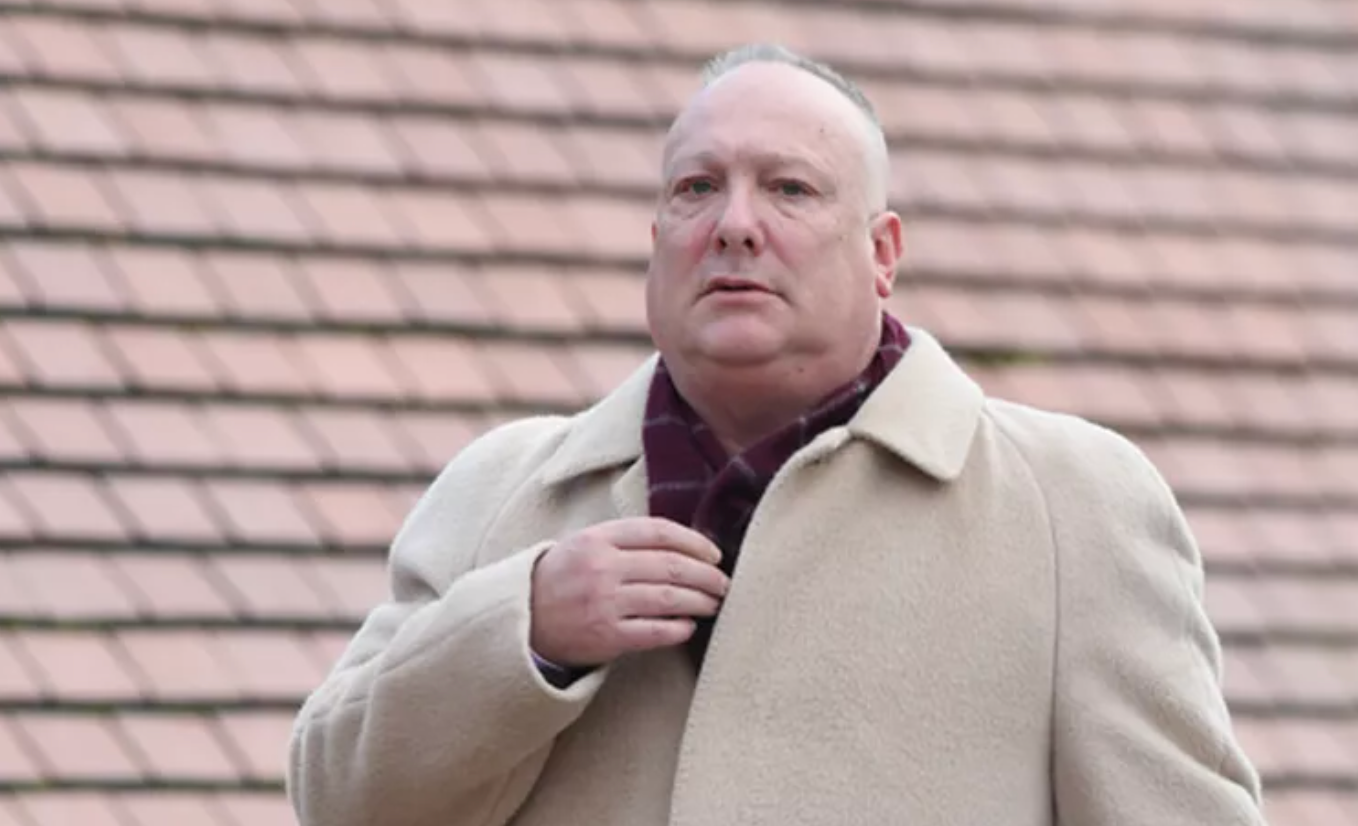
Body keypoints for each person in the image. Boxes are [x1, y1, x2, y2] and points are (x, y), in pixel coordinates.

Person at [288, 44, 1265, 826]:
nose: (734, 224)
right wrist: (525, 636)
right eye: (696, 187)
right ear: (658, 243)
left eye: (790, 188)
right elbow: (338, 802)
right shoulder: (498, 491)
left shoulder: (1075, 505)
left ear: (882, 253)